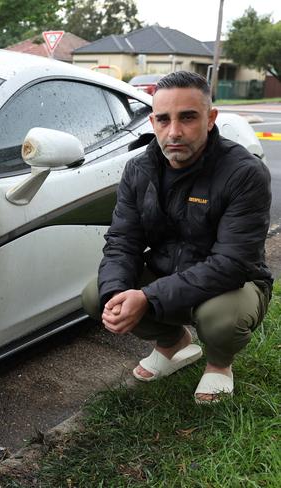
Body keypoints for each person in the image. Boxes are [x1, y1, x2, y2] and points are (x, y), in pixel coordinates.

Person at [82, 71, 272, 403]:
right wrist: (117, 292)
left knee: (221, 320)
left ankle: (219, 364)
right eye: (163, 119)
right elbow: (122, 241)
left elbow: (231, 264)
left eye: (188, 118)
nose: (174, 132)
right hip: (168, 272)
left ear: (210, 118)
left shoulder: (244, 173)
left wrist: (148, 297)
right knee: (97, 297)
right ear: (153, 122)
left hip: (235, 283)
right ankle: (174, 345)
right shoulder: (139, 170)